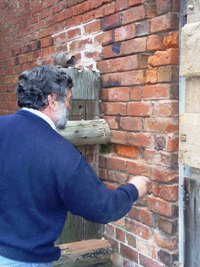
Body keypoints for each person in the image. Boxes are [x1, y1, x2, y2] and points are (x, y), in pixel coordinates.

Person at [0, 65, 149, 266]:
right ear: (52, 100)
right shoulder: (60, 152)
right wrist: (133, 190)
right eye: (68, 100)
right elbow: (102, 208)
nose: (69, 107)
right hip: (22, 261)